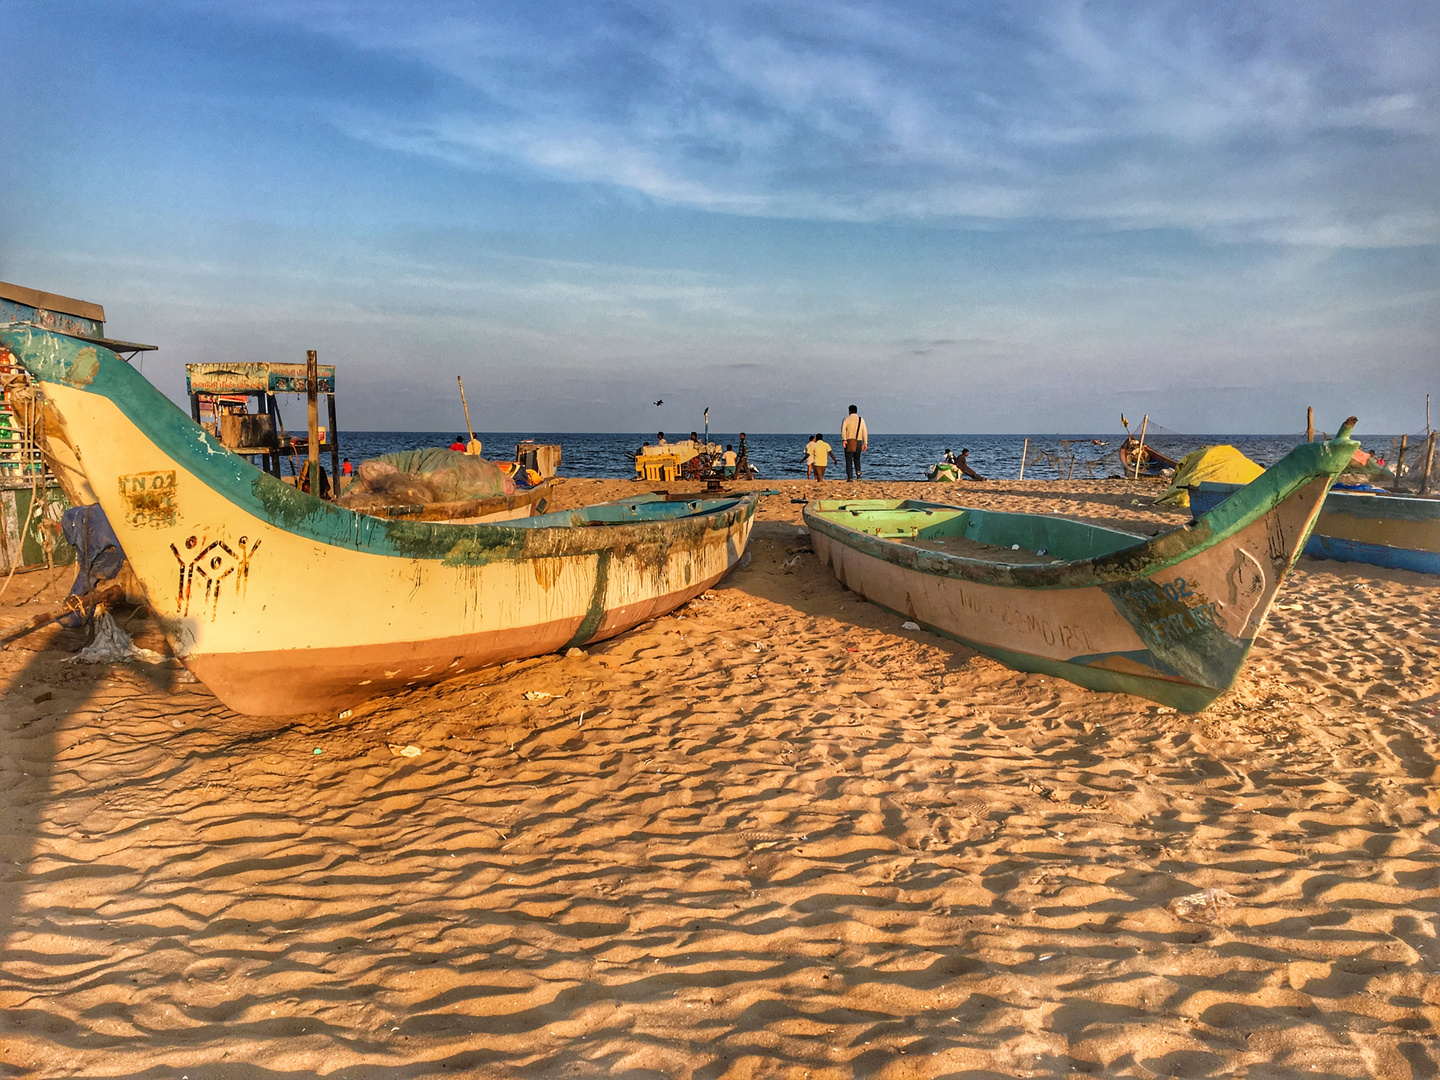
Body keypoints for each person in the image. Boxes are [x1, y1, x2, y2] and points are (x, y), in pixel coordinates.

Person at [841, 405, 868, 481]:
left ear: (849, 411)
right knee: (857, 459)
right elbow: (864, 431)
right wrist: (865, 442)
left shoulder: (846, 419)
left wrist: (844, 439)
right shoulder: (861, 420)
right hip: (859, 441)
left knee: (848, 460)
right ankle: (858, 476)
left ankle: (850, 477)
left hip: (849, 441)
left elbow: (843, 430)